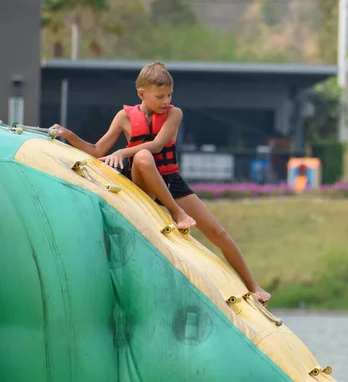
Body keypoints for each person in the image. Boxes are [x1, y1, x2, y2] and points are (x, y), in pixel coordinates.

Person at [52, 62, 271, 303]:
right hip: (140, 181)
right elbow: (97, 150)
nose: (165, 101)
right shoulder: (124, 116)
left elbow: (157, 145)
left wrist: (123, 153)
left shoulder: (174, 114)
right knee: (143, 157)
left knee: (217, 232)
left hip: (169, 179)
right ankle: (177, 213)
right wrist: (69, 136)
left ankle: (252, 285)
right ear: (141, 94)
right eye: (159, 96)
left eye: (169, 95)